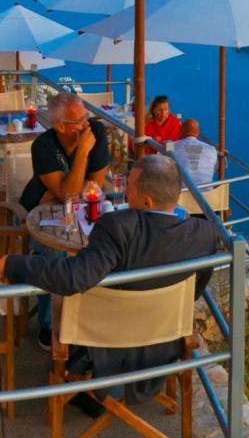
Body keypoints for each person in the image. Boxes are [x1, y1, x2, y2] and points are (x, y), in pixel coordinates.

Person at [0, 155, 219, 417]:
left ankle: (86, 388)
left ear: (147, 201)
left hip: (105, 343)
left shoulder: (118, 226)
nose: (125, 191)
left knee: (71, 303)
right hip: (164, 339)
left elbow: (73, 278)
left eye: (130, 188)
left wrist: (11, 264)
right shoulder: (205, 234)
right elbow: (197, 287)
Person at [18, 92, 112, 349]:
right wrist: (82, 152)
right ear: (60, 127)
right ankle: (50, 324)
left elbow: (95, 186)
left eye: (86, 116)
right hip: (41, 212)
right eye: (80, 120)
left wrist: (62, 190)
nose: (87, 124)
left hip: (71, 207)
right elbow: (69, 193)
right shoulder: (43, 146)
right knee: (52, 253)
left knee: (103, 247)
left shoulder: (97, 131)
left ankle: (92, 315)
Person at [171, 118, 218, 186]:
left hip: (180, 194)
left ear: (181, 131)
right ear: (198, 132)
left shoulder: (171, 146)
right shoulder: (211, 149)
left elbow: (160, 161)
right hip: (206, 193)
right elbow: (216, 168)